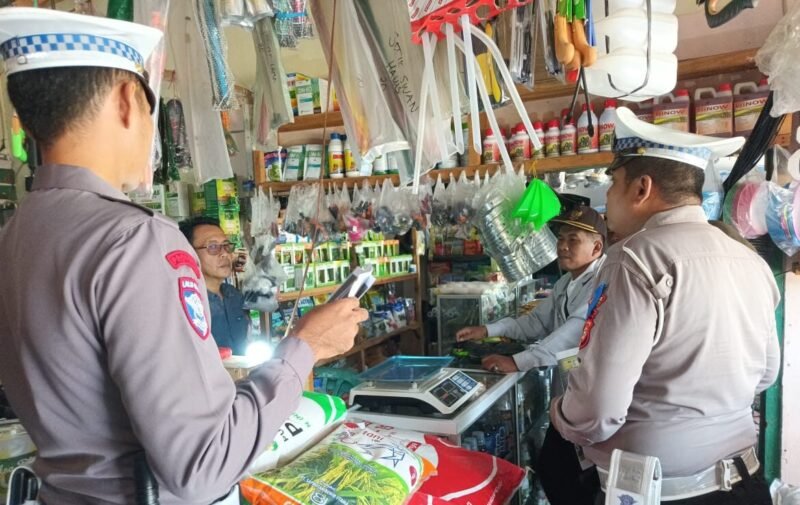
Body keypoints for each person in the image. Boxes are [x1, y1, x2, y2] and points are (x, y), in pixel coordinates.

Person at [0, 9, 367, 505]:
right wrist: (306, 346)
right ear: (129, 100)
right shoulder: (133, 239)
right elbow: (203, 466)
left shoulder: (17, 233)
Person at [550, 107, 780, 504]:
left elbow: (599, 411)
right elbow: (766, 375)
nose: (606, 201)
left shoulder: (634, 258)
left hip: (662, 493)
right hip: (744, 482)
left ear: (641, 188)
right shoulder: (748, 259)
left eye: (612, 185)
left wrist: (561, 413)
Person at [455, 206, 607, 374]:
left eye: (573, 240)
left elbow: (574, 333)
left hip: (594, 376)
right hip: (574, 374)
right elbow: (537, 322)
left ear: (596, 248)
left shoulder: (603, 281)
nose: (563, 246)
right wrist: (487, 330)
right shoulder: (565, 282)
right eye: (560, 238)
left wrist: (518, 362)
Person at [179, 216, 250, 355]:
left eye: (226, 246)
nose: (224, 254)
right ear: (190, 253)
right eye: (212, 247)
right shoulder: (187, 302)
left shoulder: (234, 295)